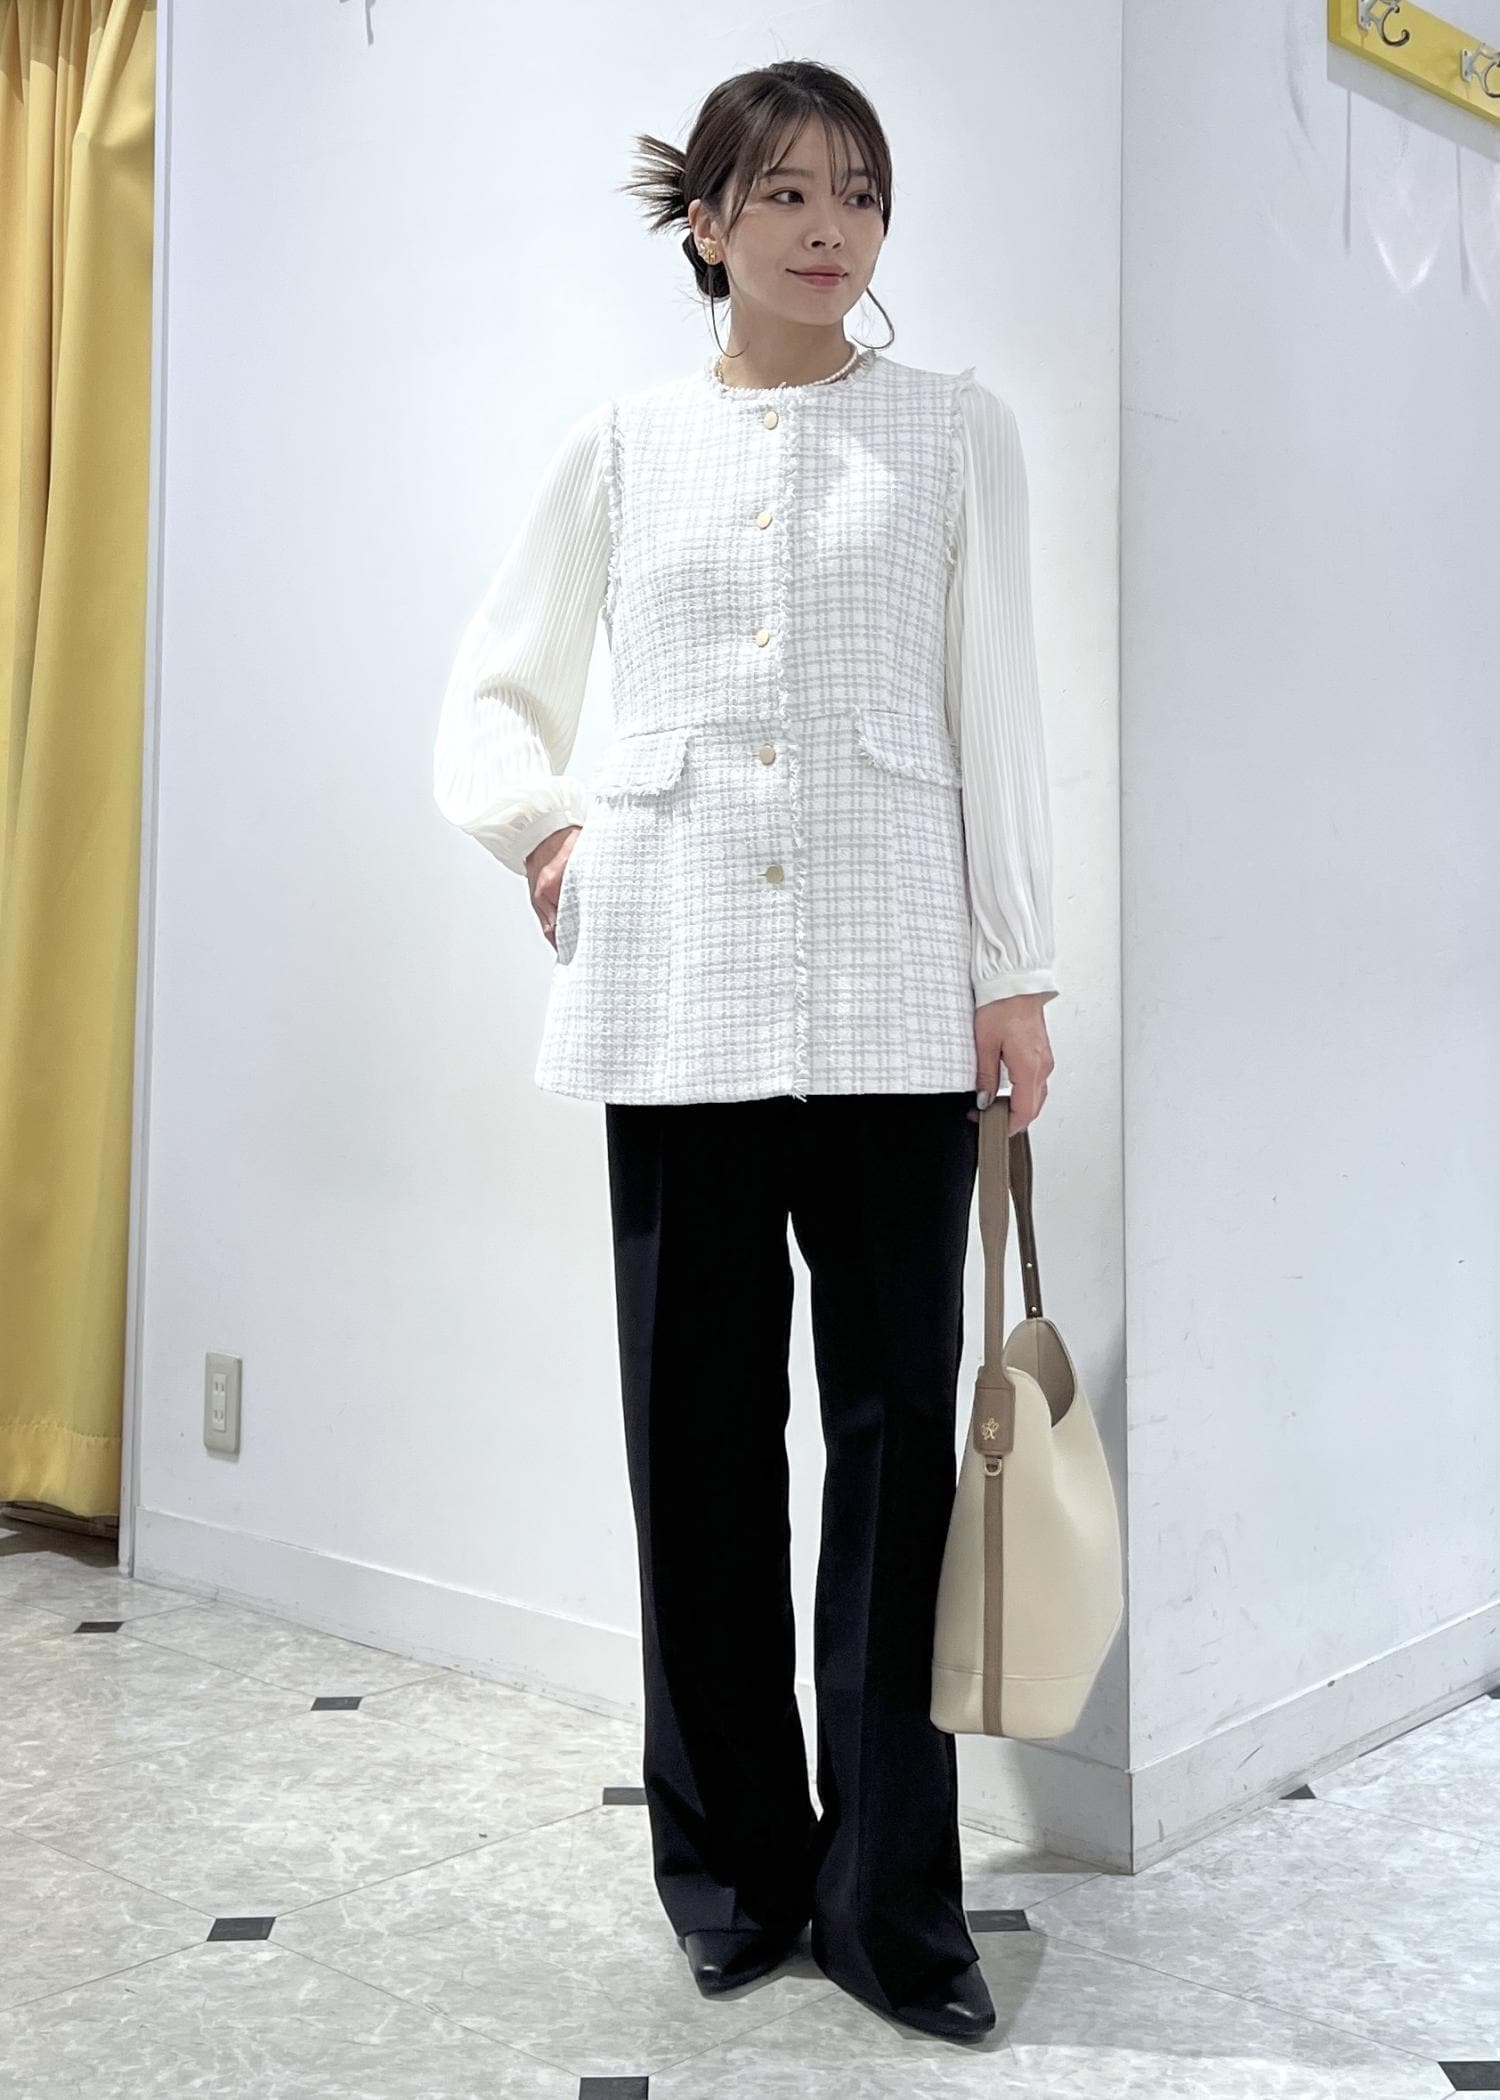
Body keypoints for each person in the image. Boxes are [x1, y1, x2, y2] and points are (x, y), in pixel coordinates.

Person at [432, 58, 1059, 2045]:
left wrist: (1016, 970)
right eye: (781, 192)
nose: (825, 226)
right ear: (703, 224)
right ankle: (728, 1875)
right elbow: (493, 692)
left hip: (895, 1007)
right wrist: (546, 831)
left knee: (895, 1458)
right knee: (695, 1451)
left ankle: (892, 1910)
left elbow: (999, 711)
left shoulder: (956, 435)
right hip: (676, 994)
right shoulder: (621, 447)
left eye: (857, 192)